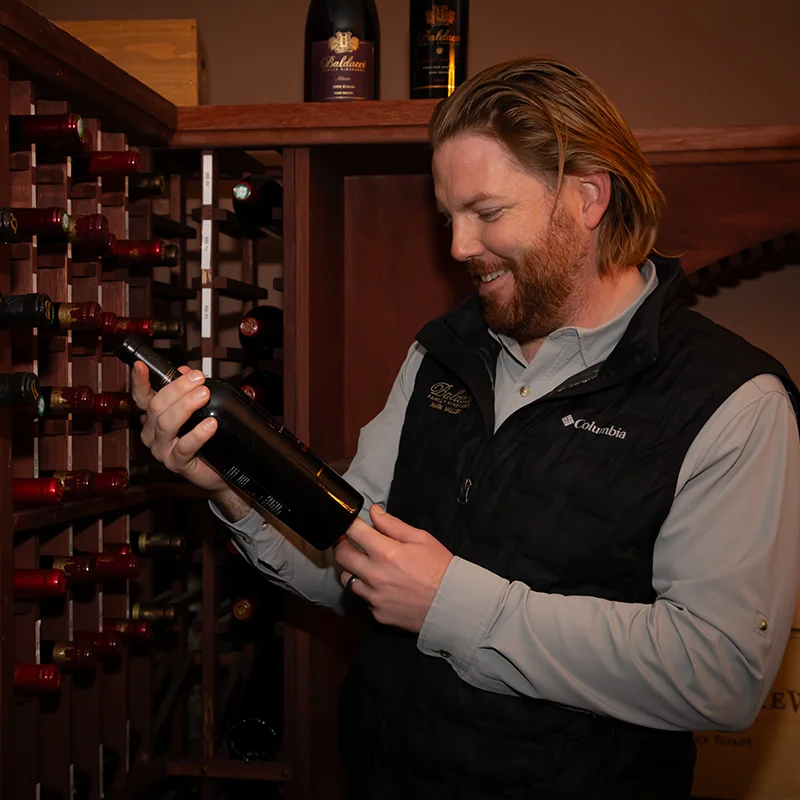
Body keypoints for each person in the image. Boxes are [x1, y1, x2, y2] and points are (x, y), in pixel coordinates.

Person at [131, 58, 800, 799]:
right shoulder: (441, 352)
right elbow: (346, 560)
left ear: (585, 197)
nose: (457, 247)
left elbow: (719, 675)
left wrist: (451, 602)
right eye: (448, 217)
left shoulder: (735, 401)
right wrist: (230, 484)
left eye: (486, 213)